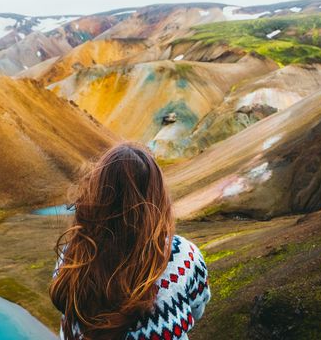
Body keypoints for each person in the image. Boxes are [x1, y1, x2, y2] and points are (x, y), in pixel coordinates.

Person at [50, 142, 210, 339]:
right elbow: (198, 307)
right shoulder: (183, 255)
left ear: (97, 192)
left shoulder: (73, 255)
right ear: (157, 196)